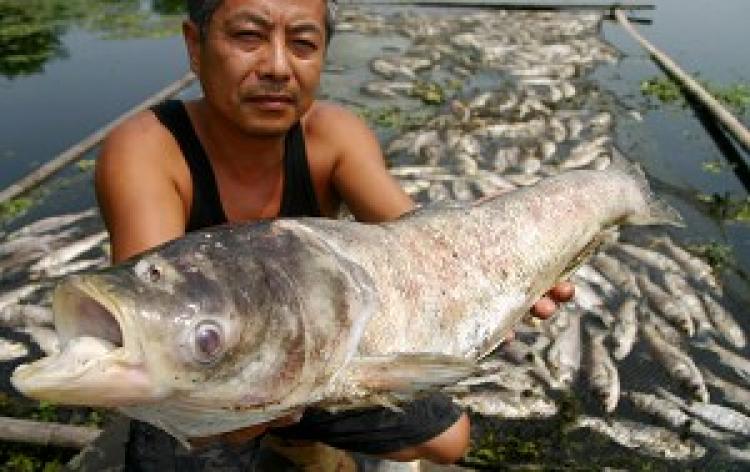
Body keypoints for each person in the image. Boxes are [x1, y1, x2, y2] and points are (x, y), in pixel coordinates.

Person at [95, 0, 574, 469]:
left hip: (324, 357)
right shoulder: (147, 149)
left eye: (303, 43)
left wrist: (497, 260)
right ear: (195, 46)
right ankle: (285, 433)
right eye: (248, 37)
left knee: (450, 441)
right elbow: (152, 332)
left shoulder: (334, 136)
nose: (278, 67)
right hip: (207, 377)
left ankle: (294, 437)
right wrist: (232, 408)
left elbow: (419, 246)